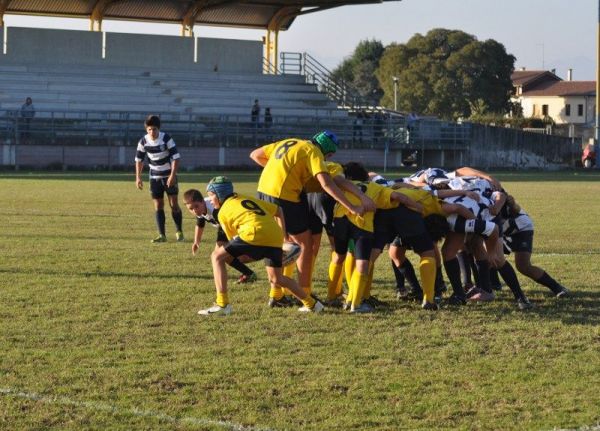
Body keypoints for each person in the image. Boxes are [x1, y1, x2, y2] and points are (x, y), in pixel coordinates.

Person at [249, 131, 371, 303]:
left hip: (263, 192)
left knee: (281, 243)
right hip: (285, 196)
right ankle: (304, 294)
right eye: (327, 156)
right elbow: (327, 183)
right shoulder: (313, 151)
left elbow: (255, 154)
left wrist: (280, 171)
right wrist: (352, 206)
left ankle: (276, 295)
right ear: (326, 152)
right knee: (305, 245)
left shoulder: (291, 141)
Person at [197, 176, 324, 316]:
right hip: (274, 235)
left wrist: (244, 259)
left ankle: (222, 304)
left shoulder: (222, 212)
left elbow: (234, 246)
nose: (210, 200)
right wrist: (283, 239)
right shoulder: (245, 198)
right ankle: (312, 305)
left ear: (219, 195)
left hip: (254, 233)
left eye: (211, 196)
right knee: (277, 278)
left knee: (217, 256)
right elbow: (278, 210)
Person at [183, 189, 257, 284]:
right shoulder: (200, 209)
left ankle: (261, 257)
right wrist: (196, 242)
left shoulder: (214, 208)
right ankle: (249, 273)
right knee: (229, 257)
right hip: (228, 227)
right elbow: (200, 224)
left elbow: (226, 224)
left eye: (196, 206)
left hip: (238, 225)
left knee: (219, 255)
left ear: (202, 201)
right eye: (191, 209)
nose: (195, 210)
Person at [134, 115, 184, 243]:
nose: (152, 132)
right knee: (158, 205)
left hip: (169, 176)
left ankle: (179, 232)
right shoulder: (143, 142)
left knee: (174, 205)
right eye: (149, 129)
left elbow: (176, 158)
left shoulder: (166, 139)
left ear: (159, 129)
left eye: (154, 129)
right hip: (154, 177)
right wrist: (138, 177)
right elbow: (139, 160)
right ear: (146, 129)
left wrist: (172, 175)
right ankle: (162, 235)